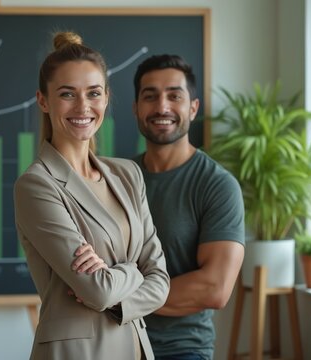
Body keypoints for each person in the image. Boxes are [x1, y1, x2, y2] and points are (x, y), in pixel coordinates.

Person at [14, 31, 170, 360]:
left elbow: (162, 282)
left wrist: (119, 279)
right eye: (67, 94)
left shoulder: (128, 174)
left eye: (94, 93)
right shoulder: (37, 185)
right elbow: (96, 291)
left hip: (136, 349)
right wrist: (135, 270)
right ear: (43, 100)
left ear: (106, 98)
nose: (83, 107)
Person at [131, 54, 245, 360]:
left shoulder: (217, 185)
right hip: (112, 344)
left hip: (180, 351)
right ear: (136, 108)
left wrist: (117, 299)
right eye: (150, 96)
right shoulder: (116, 179)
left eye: (174, 96)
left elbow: (214, 288)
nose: (162, 107)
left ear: (192, 108)